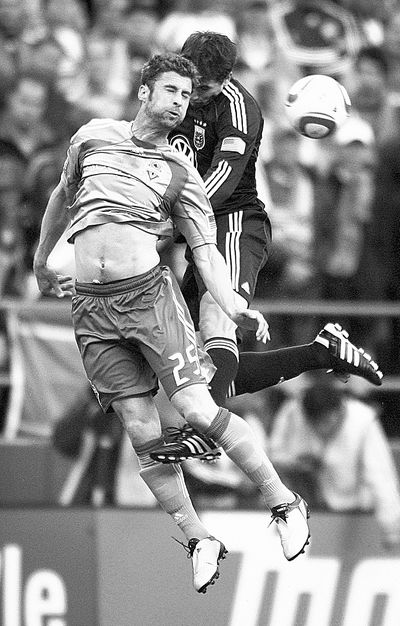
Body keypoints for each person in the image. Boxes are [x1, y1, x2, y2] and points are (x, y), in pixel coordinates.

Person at [33, 52, 310, 594]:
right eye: (172, 92)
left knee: (196, 408)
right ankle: (198, 537)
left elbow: (205, 253)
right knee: (141, 430)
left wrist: (232, 306)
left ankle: (281, 499)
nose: (181, 104)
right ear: (144, 92)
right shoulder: (92, 137)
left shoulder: (182, 174)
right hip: (91, 306)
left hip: (148, 297)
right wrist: (43, 262)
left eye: (187, 96)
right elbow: (61, 198)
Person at [150, 31, 383, 464]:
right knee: (196, 366)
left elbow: (220, 183)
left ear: (225, 80)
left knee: (216, 317)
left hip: (232, 224)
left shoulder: (242, 112)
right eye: (187, 83)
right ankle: (321, 351)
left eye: (202, 88)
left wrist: (165, 217)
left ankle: (205, 428)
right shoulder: (168, 91)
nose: (192, 96)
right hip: (187, 225)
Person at [268, 374, 400, 550]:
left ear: (337, 411)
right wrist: (296, 463)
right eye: (316, 423)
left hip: (355, 515)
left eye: (326, 421)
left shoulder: (362, 421)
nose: (322, 428)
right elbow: (273, 456)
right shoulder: (294, 412)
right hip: (311, 510)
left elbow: (381, 478)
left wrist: (391, 528)